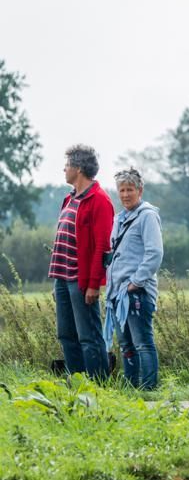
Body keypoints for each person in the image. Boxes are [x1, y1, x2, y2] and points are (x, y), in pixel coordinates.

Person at [49, 144, 114, 380]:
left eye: (67, 165)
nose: (63, 169)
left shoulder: (100, 200)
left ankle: (98, 386)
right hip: (62, 279)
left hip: (82, 280)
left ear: (78, 167)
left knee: (89, 336)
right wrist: (56, 282)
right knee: (66, 334)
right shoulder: (69, 198)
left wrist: (94, 284)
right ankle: (77, 385)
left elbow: (102, 247)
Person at [104, 168, 164, 390]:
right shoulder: (118, 219)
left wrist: (135, 282)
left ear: (140, 191)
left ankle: (148, 389)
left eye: (130, 189)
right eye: (122, 190)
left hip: (136, 291)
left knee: (142, 343)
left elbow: (155, 253)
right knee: (126, 345)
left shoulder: (147, 216)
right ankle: (131, 389)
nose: (126, 194)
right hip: (118, 293)